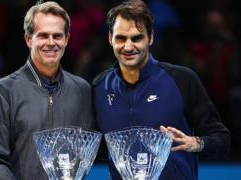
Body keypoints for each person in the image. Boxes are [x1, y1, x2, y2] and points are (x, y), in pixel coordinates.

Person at [92, 0, 230, 179]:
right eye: (121, 38)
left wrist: (197, 143)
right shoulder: (100, 86)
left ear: (150, 37)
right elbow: (98, 146)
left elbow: (222, 139)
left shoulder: (182, 80)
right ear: (110, 38)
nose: (128, 46)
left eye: (136, 38)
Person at [0, 1, 94, 179]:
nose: (51, 43)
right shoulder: (3, 91)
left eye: (57, 36)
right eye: (43, 36)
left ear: (67, 39)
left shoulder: (82, 90)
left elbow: (90, 150)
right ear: (28, 39)